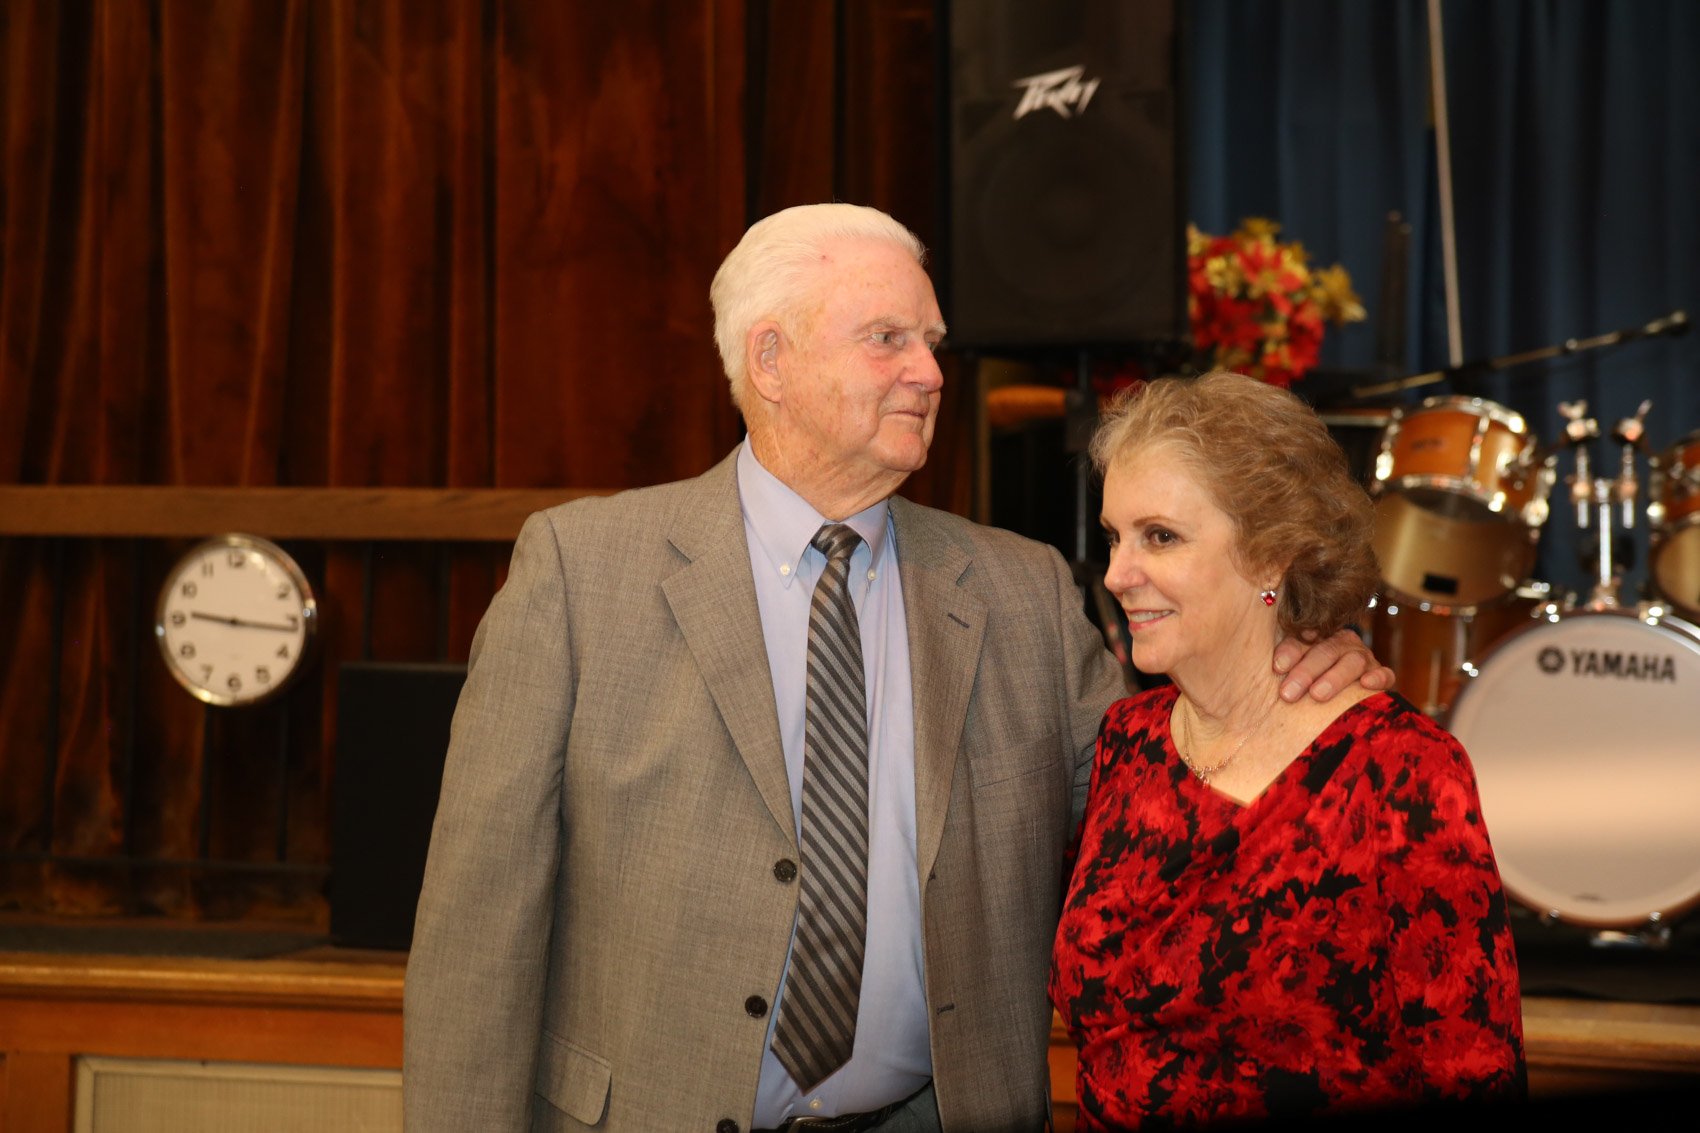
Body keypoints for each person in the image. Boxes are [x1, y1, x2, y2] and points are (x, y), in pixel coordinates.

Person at [402, 205, 1390, 1133]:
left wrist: (1289, 665)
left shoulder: (1020, 591)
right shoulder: (581, 573)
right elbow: (476, 936)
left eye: (931, 342)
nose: (928, 372)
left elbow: (1172, 797)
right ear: (771, 360)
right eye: (888, 339)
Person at [1050, 371, 1526, 1130]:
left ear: (1271, 556)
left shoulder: (1399, 771)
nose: (1116, 574)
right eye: (1114, 536)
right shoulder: (1127, 741)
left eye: (1160, 536)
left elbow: (1472, 1072)